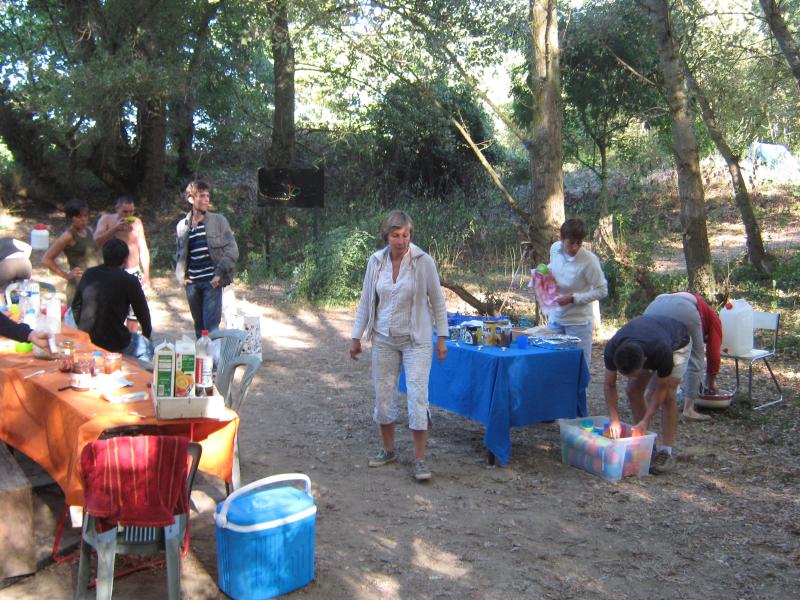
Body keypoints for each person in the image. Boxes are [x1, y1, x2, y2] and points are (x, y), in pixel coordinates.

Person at [349, 210, 448, 482]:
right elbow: (366, 300)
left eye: (405, 235)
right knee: (383, 396)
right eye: (396, 235)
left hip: (417, 340)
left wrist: (442, 339)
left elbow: (438, 302)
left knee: (417, 397)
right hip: (383, 338)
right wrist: (356, 337)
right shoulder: (375, 262)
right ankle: (388, 450)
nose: (401, 241)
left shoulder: (423, 262)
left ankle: (419, 460)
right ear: (387, 236)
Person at [603, 314, 692, 475]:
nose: (631, 377)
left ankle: (666, 451)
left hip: (678, 341)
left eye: (634, 374)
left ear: (644, 361)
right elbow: (609, 384)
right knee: (632, 389)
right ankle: (647, 445)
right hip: (647, 335)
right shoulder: (612, 348)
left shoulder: (662, 351)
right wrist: (614, 419)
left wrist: (646, 419)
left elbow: (662, 388)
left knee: (669, 395)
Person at [644, 292, 722, 421]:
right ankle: (689, 410)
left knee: (655, 354)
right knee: (696, 357)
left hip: (654, 305)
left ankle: (646, 398)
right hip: (683, 308)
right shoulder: (715, 320)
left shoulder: (698, 305)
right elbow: (713, 354)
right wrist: (711, 383)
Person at [175, 180, 238, 338]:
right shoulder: (182, 226)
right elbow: (179, 255)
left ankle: (214, 363)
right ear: (191, 199)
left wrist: (219, 274)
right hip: (193, 285)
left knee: (211, 330)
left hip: (212, 282)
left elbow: (232, 249)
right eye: (202, 196)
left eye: (208, 196)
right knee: (199, 329)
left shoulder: (219, 221)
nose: (206, 200)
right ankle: (202, 362)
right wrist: (182, 277)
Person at [71, 239, 153, 361]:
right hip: (114, 340)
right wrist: (147, 335)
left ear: (104, 256)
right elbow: (143, 313)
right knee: (146, 347)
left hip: (86, 336)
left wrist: (83, 328)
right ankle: (138, 377)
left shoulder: (89, 273)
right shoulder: (129, 280)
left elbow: (76, 305)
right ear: (125, 259)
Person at [547, 218, 608, 365]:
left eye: (579, 243)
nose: (575, 247)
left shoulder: (589, 261)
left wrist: (573, 298)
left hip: (579, 323)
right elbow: (555, 270)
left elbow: (602, 290)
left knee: (578, 367)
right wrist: (545, 278)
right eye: (571, 242)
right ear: (562, 239)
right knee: (552, 364)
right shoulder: (555, 250)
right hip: (556, 319)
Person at [94, 196, 151, 332]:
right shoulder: (106, 220)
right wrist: (114, 229)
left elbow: (143, 248)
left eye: (131, 211)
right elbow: (96, 240)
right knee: (111, 308)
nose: (128, 215)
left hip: (133, 270)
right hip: (112, 271)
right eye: (125, 211)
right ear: (117, 209)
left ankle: (132, 342)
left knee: (133, 313)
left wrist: (147, 275)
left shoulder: (137, 223)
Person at [41, 199, 101, 305]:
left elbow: (95, 252)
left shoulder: (89, 230)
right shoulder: (68, 236)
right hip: (78, 286)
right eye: (79, 217)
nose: (83, 220)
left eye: (86, 216)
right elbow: (46, 259)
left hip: (94, 283)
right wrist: (66, 275)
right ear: (70, 218)